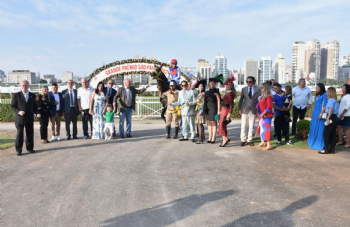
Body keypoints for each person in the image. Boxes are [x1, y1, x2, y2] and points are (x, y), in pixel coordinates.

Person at [11, 80, 38, 156]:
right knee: (20, 134)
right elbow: (13, 106)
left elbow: (35, 106)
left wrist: (35, 114)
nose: (24, 87)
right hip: (20, 118)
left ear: (28, 86)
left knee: (29, 133)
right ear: (20, 86)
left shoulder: (32, 95)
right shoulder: (16, 95)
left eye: (26, 85)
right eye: (23, 85)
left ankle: (30, 148)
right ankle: (18, 150)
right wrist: (19, 111)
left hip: (29, 117)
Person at [238, 76, 261, 146]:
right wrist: (239, 108)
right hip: (245, 109)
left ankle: (249, 140)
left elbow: (261, 99)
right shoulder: (244, 89)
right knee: (243, 125)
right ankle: (243, 139)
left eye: (250, 82)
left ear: (254, 82)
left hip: (253, 109)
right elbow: (241, 99)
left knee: (251, 126)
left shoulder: (258, 89)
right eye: (247, 82)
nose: (248, 83)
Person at [319, 87, 339, 154]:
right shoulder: (335, 100)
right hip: (335, 117)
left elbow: (330, 110)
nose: (326, 93)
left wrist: (328, 119)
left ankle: (326, 150)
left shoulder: (331, 100)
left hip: (331, 117)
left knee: (326, 134)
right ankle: (332, 150)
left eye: (327, 92)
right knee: (332, 134)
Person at [307, 83, 327, 150]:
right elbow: (315, 104)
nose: (316, 89)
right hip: (315, 113)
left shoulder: (325, 94)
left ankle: (319, 142)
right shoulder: (317, 95)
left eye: (317, 88)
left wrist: (321, 114)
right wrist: (311, 112)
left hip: (319, 113)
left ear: (321, 88)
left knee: (320, 127)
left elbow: (325, 105)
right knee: (313, 126)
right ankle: (312, 141)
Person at [218, 75, 236, 147]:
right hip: (223, 109)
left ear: (232, 86)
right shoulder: (227, 93)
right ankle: (226, 138)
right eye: (227, 85)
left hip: (225, 110)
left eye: (229, 85)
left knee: (222, 125)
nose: (227, 86)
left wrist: (229, 114)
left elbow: (231, 104)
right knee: (222, 125)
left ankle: (224, 140)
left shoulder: (230, 94)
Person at [203, 76, 221, 144]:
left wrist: (218, 111)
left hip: (214, 108)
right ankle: (210, 137)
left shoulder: (216, 91)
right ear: (209, 83)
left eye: (213, 82)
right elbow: (205, 100)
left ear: (215, 84)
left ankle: (214, 137)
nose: (212, 83)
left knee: (213, 123)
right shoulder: (207, 91)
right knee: (209, 123)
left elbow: (219, 101)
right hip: (208, 108)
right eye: (211, 82)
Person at [256, 83, 273, 150]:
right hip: (262, 116)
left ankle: (269, 144)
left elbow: (269, 107)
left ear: (266, 88)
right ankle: (262, 141)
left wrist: (263, 113)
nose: (261, 88)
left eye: (262, 87)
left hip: (267, 116)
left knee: (266, 129)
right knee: (261, 129)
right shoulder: (262, 96)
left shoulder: (268, 96)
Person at [194, 79, 207, 144]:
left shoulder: (203, 94)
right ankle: (202, 137)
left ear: (203, 87)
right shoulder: (199, 93)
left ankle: (200, 138)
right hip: (198, 110)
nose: (200, 87)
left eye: (202, 86)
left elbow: (203, 103)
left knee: (199, 124)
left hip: (200, 110)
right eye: (199, 86)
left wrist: (201, 111)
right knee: (200, 124)